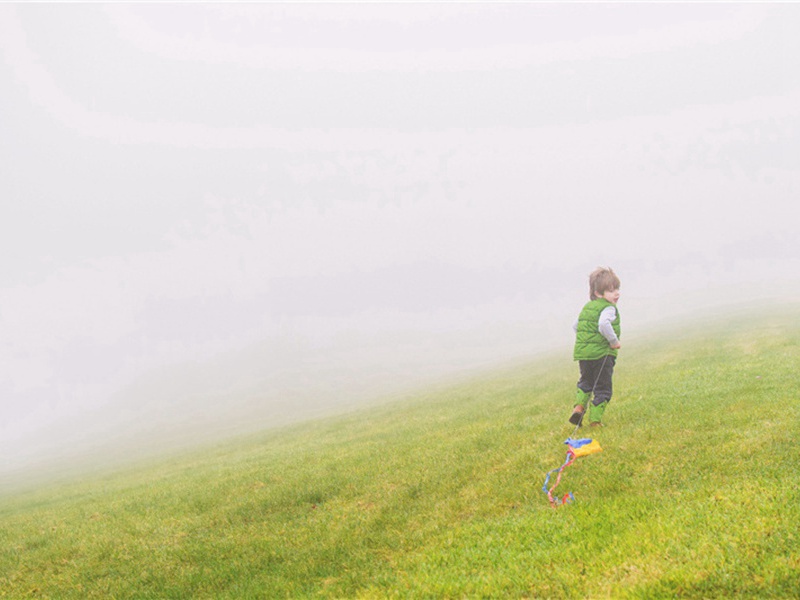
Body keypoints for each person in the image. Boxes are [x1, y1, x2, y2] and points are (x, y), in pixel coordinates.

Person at [569, 267, 621, 428]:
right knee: (602, 387)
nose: (617, 294)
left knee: (586, 382)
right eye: (611, 291)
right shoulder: (608, 308)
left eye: (617, 289)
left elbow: (576, 326)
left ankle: (579, 408)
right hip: (601, 355)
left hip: (584, 355)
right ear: (599, 293)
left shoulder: (587, 307)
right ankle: (595, 422)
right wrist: (613, 341)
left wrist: (586, 343)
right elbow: (603, 324)